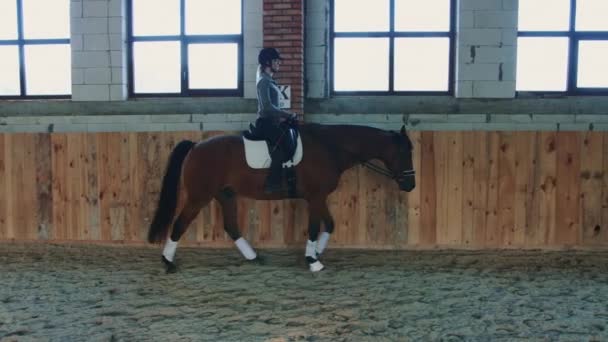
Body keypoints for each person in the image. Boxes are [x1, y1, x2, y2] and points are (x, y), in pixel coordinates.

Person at [255, 47, 297, 193]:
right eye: (276, 60)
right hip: (265, 123)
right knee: (280, 146)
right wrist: (288, 115)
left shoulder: (270, 80)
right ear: (267, 62)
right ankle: (272, 183)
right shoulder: (263, 82)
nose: (279, 63)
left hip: (272, 122)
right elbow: (267, 107)